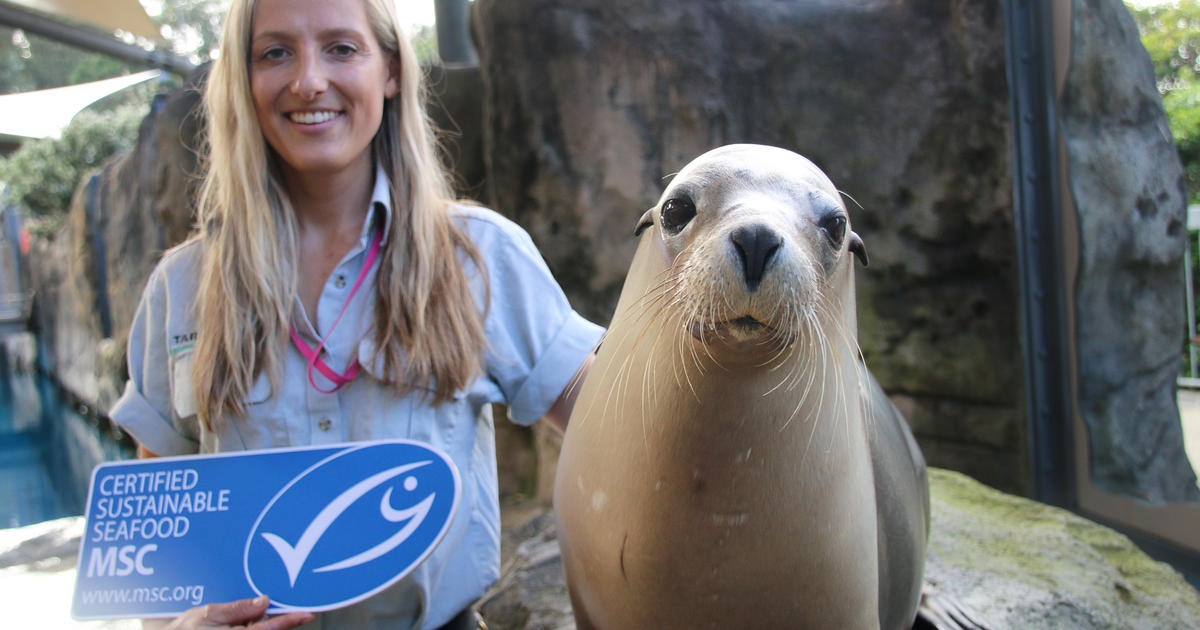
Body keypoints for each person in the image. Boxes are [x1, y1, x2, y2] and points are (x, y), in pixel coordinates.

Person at [109, 0, 602, 627]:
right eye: (275, 52)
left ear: (390, 71)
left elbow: (621, 435)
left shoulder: (480, 259)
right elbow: (165, 551)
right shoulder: (181, 289)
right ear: (243, 77)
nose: (308, 81)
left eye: (341, 48)